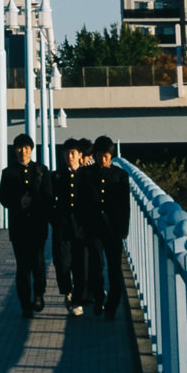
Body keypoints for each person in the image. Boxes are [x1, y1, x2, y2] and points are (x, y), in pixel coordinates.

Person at [0, 132, 52, 314]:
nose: (23, 151)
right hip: (18, 225)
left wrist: (33, 202)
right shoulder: (8, 173)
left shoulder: (41, 170)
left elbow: (48, 195)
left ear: (31, 150)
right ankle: (24, 303)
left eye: (27, 148)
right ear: (15, 150)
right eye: (20, 148)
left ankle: (38, 294)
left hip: (37, 225)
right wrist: (18, 203)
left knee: (37, 262)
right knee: (22, 266)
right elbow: (3, 197)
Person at [52, 136, 95, 315]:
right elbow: (48, 199)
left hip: (81, 228)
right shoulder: (56, 176)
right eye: (67, 153)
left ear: (79, 156)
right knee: (62, 263)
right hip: (62, 227)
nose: (69, 156)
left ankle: (78, 300)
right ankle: (66, 290)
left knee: (80, 266)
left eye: (73, 153)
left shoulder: (88, 176)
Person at [89, 133, 128, 316]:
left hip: (113, 229)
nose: (102, 159)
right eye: (99, 155)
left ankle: (112, 304)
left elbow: (125, 205)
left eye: (105, 156)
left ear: (111, 156)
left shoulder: (120, 175)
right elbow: (82, 201)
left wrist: (123, 230)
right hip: (94, 227)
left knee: (114, 268)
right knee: (95, 266)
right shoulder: (87, 174)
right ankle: (98, 298)